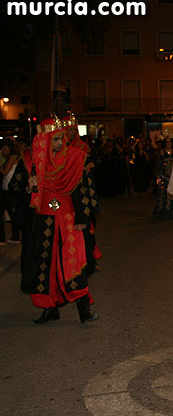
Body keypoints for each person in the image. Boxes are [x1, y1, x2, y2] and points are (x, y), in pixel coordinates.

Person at [21, 117, 98, 324]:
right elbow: (20, 193)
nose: (59, 143)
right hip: (43, 221)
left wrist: (83, 216)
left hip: (68, 220)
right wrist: (29, 188)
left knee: (72, 264)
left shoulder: (74, 158)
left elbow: (83, 190)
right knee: (43, 266)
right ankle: (49, 308)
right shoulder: (32, 162)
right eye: (54, 140)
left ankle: (84, 309)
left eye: (60, 139)